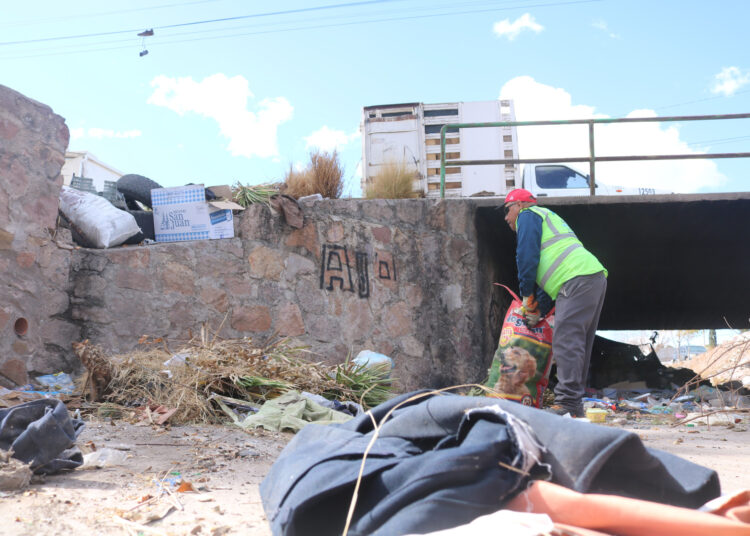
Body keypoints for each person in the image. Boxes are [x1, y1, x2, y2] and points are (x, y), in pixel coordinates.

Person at [503, 188, 607, 417]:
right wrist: (538, 308)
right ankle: (574, 405)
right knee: (579, 343)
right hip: (591, 277)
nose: (506, 217)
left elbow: (526, 257)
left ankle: (568, 402)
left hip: (577, 279)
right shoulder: (546, 219)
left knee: (566, 338)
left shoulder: (528, 216)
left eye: (507, 209)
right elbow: (546, 279)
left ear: (519, 205)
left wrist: (526, 296)